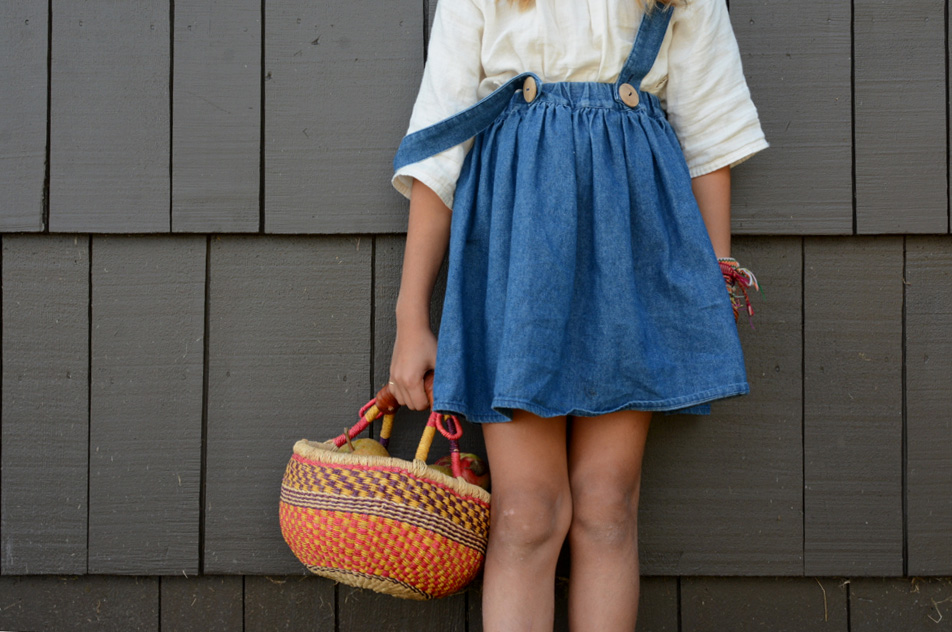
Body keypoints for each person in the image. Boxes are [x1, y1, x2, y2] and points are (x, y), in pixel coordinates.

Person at [386, 0, 767, 629]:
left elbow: (711, 131)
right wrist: (411, 315)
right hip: (517, 257)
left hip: (631, 251)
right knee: (526, 514)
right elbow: (438, 146)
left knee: (607, 505)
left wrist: (714, 280)